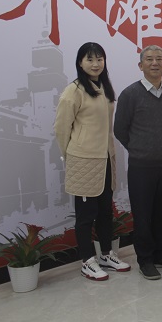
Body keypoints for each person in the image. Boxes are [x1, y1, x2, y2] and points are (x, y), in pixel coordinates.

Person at [54, 42, 130, 281]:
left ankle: (106, 255)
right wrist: (71, 156)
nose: (96, 64)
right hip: (84, 160)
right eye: (90, 59)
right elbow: (61, 128)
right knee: (86, 216)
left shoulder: (104, 87)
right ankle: (87, 261)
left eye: (99, 59)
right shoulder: (73, 91)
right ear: (80, 62)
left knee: (106, 211)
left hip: (105, 158)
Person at [114, 45, 162, 280]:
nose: (155, 63)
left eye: (159, 59)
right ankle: (145, 259)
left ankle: (160, 254)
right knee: (142, 215)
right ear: (140, 65)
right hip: (141, 166)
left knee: (161, 212)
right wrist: (138, 149)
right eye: (150, 59)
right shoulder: (129, 94)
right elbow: (120, 129)